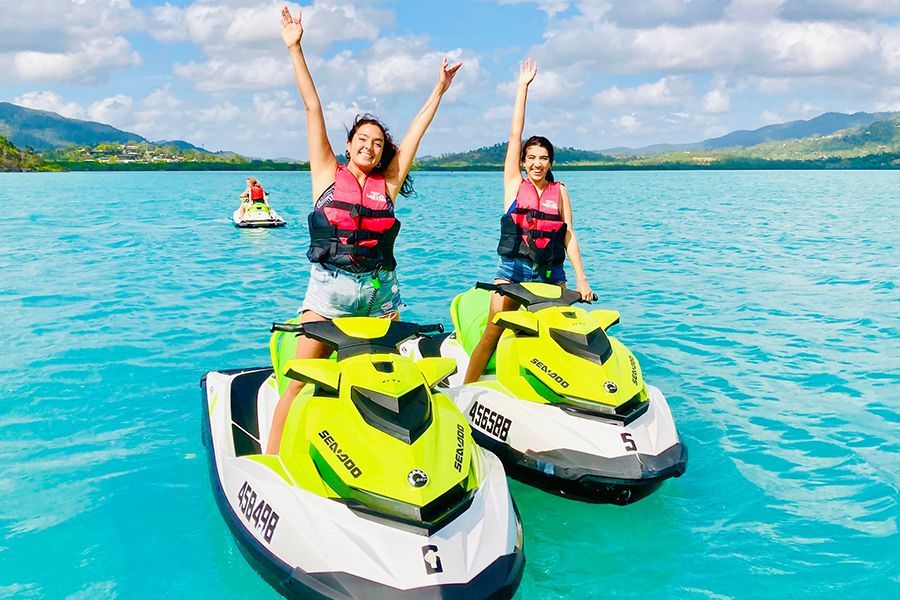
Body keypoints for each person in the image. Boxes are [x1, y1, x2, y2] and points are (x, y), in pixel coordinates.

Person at [265, 5, 462, 454]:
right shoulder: (326, 174)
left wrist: (439, 91)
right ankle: (270, 462)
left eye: (378, 143)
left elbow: (415, 134)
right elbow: (312, 105)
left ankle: (382, 456)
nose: (370, 147)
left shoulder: (387, 185)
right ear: (349, 144)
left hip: (380, 299)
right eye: (363, 140)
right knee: (297, 384)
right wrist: (295, 47)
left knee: (384, 387)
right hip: (328, 296)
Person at [463, 58, 593, 384]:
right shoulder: (513, 185)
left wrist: (582, 280)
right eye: (531, 158)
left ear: (551, 163)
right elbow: (513, 134)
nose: (537, 164)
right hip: (512, 272)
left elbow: (568, 236)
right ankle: (464, 391)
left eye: (543, 158)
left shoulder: (560, 191)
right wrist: (522, 88)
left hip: (552, 273)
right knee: (493, 332)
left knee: (566, 336)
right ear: (523, 160)